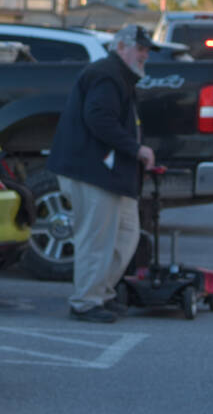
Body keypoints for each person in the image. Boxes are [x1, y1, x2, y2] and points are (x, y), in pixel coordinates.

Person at [47, 23, 157, 323]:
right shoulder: (107, 75)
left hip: (111, 176)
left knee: (125, 236)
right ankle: (86, 302)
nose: (145, 55)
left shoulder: (120, 77)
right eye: (140, 48)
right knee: (96, 240)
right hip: (91, 172)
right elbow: (98, 118)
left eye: (147, 50)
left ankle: (102, 294)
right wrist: (136, 150)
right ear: (121, 47)